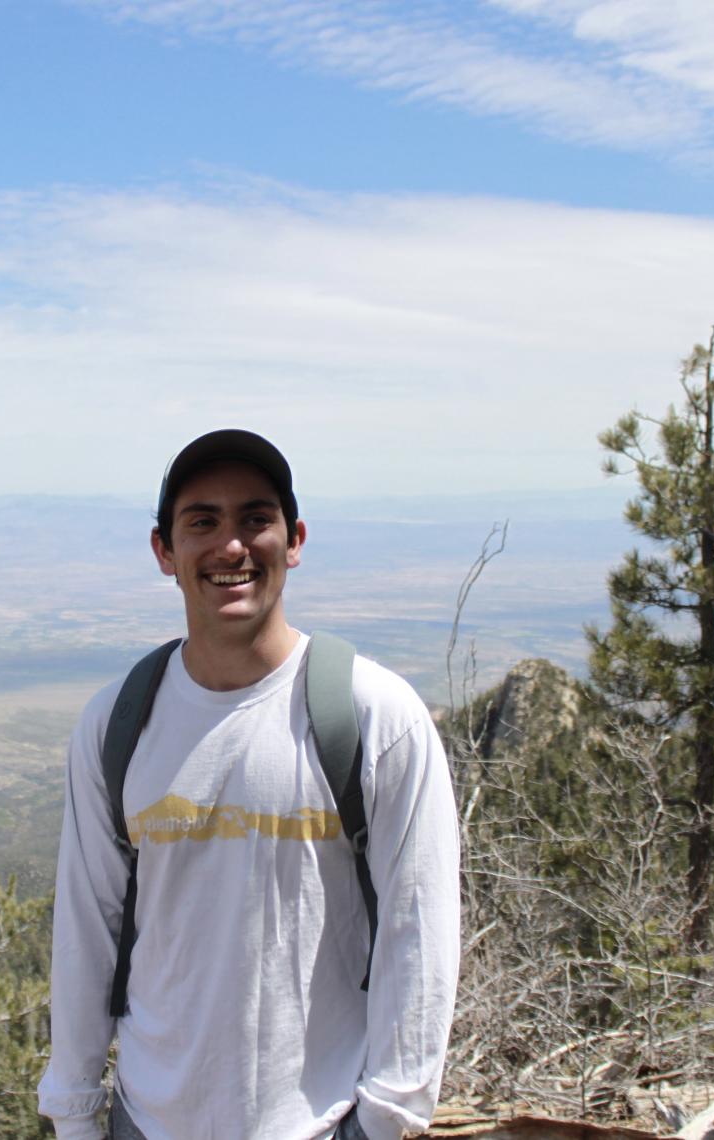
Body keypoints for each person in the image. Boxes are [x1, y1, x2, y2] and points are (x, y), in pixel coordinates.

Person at [38, 429, 460, 1140]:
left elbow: (419, 933)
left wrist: (386, 1122)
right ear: (164, 552)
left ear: (293, 540)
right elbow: (86, 929)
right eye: (202, 521)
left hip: (324, 1125)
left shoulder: (374, 717)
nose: (231, 546)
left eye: (254, 519)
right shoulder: (116, 724)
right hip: (148, 1122)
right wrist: (76, 1115)